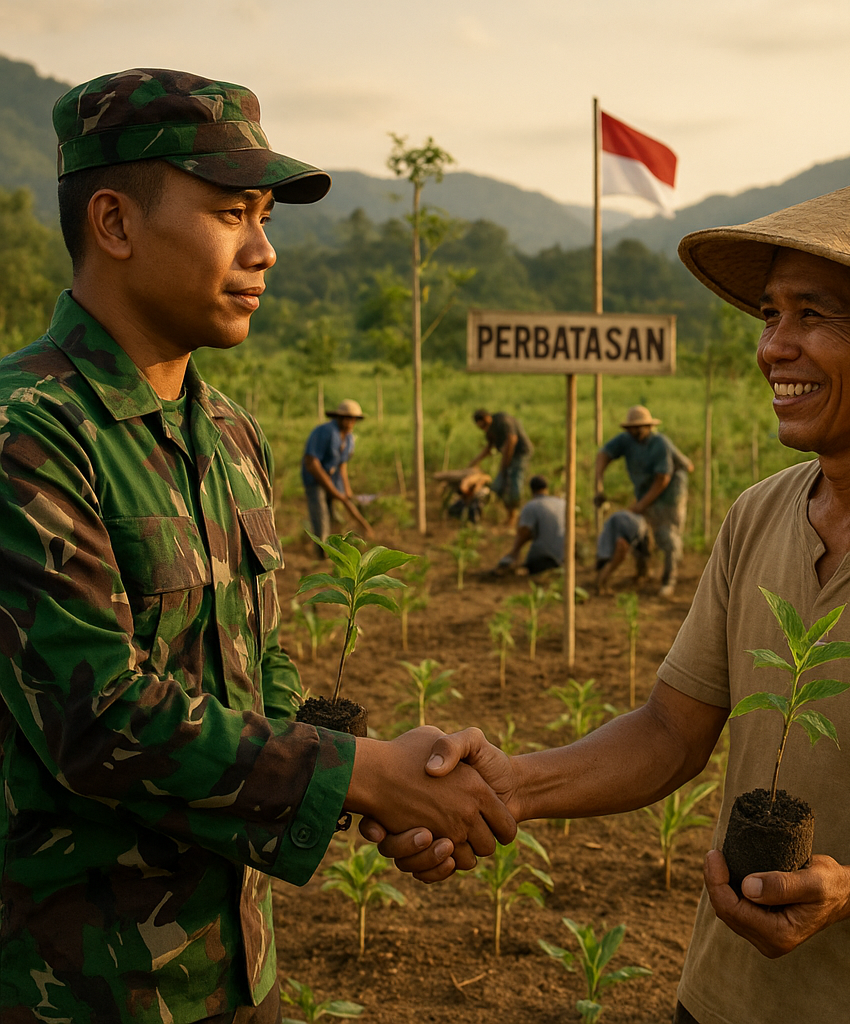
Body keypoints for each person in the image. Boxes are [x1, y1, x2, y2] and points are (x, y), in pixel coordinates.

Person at [371, 155, 850, 1024]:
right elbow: (671, 733)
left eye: (812, 316)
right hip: (716, 998)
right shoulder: (760, 514)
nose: (772, 348)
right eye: (769, 315)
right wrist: (510, 788)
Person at [0, 68, 513, 1024]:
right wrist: (365, 774)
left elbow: (255, 670)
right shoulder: (28, 433)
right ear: (113, 224)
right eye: (234, 213)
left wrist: (376, 786)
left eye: (266, 217)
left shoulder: (229, 433)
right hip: (76, 987)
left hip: (235, 967)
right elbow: (96, 719)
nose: (265, 251)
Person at [594, 406, 694, 598]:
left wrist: (641, 505)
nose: (634, 431)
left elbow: (663, 478)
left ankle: (668, 580)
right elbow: (603, 454)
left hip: (669, 494)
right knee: (639, 529)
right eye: (631, 428)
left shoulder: (660, 444)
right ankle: (642, 571)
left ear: (648, 427)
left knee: (666, 534)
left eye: (639, 428)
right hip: (645, 490)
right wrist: (598, 483)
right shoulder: (626, 440)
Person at [301, 398, 374, 544]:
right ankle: (321, 554)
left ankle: (330, 548)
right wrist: (334, 491)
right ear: (339, 417)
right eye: (348, 419)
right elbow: (312, 463)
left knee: (331, 516)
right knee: (320, 517)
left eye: (354, 419)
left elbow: (342, 466)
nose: (351, 422)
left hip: (331, 479)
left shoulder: (348, 439)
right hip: (315, 481)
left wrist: (346, 491)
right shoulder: (325, 432)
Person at [468, 407, 533, 524]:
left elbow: (512, 440)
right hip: (508, 457)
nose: (483, 429)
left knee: (515, 483)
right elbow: (489, 447)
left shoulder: (503, 421)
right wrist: (474, 462)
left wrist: (505, 464)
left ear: (487, 418)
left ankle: (518, 516)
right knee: (498, 486)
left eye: (483, 426)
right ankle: (511, 514)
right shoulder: (490, 430)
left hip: (520, 454)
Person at [496, 475, 566, 575]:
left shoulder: (531, 506)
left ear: (532, 490)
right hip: (564, 557)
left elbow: (525, 531)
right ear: (546, 488)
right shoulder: (562, 503)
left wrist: (514, 552)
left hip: (543, 559)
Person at [594, 509, 651, 595]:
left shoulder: (637, 524)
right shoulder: (638, 528)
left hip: (619, 522)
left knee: (611, 557)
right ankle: (601, 584)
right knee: (615, 560)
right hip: (626, 527)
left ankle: (601, 583)